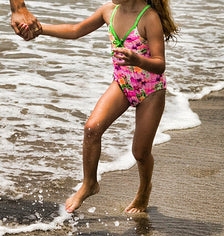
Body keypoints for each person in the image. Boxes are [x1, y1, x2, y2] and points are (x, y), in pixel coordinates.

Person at [15, 0, 179, 214]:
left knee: (140, 152)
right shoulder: (108, 11)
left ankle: (144, 189)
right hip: (123, 84)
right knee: (91, 129)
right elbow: (75, 31)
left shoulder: (149, 18)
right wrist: (40, 30)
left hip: (151, 91)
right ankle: (89, 184)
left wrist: (136, 59)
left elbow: (160, 63)